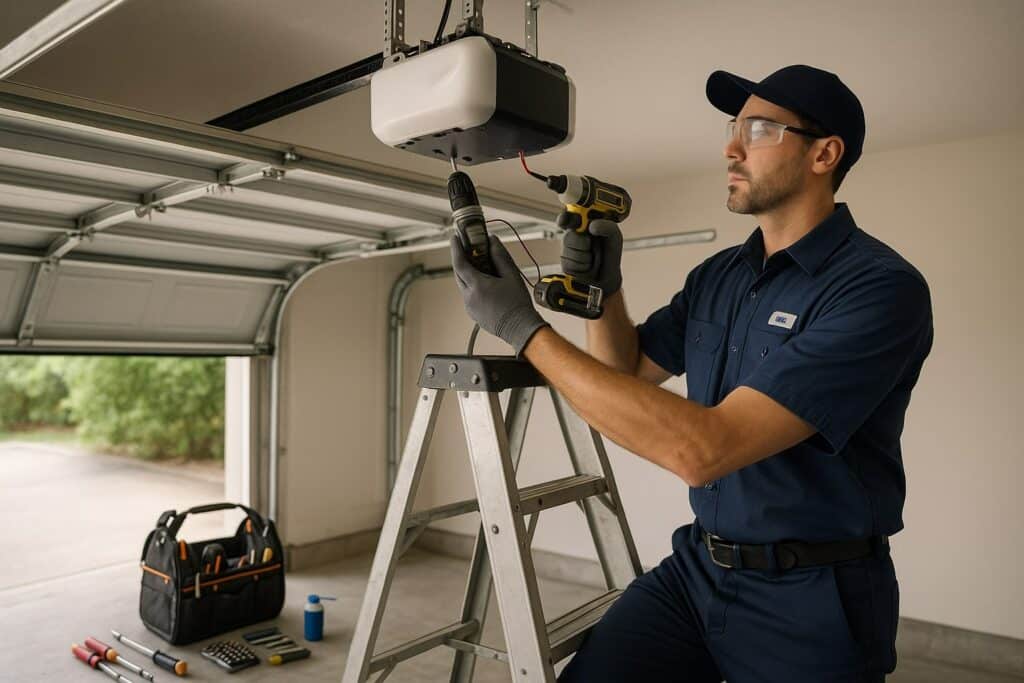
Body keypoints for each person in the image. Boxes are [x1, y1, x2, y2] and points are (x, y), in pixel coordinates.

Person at [449, 64, 934, 682]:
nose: (730, 147)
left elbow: (703, 449)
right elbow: (624, 370)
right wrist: (605, 291)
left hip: (813, 598)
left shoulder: (877, 289)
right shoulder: (720, 276)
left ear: (825, 154)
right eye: (733, 127)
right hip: (698, 569)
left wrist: (522, 329)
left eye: (758, 130)